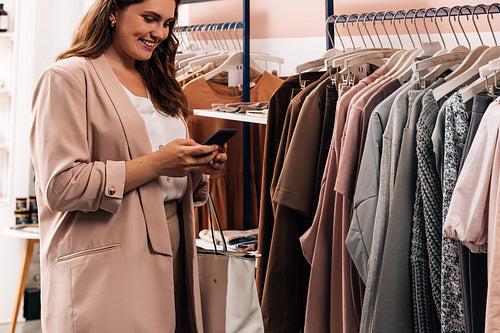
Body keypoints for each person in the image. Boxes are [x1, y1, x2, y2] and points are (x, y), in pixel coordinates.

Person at [29, 0, 227, 331]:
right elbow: (61, 187)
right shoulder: (66, 78)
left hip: (175, 240)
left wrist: (196, 167)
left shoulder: (159, 79)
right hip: (109, 253)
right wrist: (157, 163)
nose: (160, 33)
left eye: (167, 23)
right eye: (150, 19)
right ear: (112, 11)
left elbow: (165, 176)